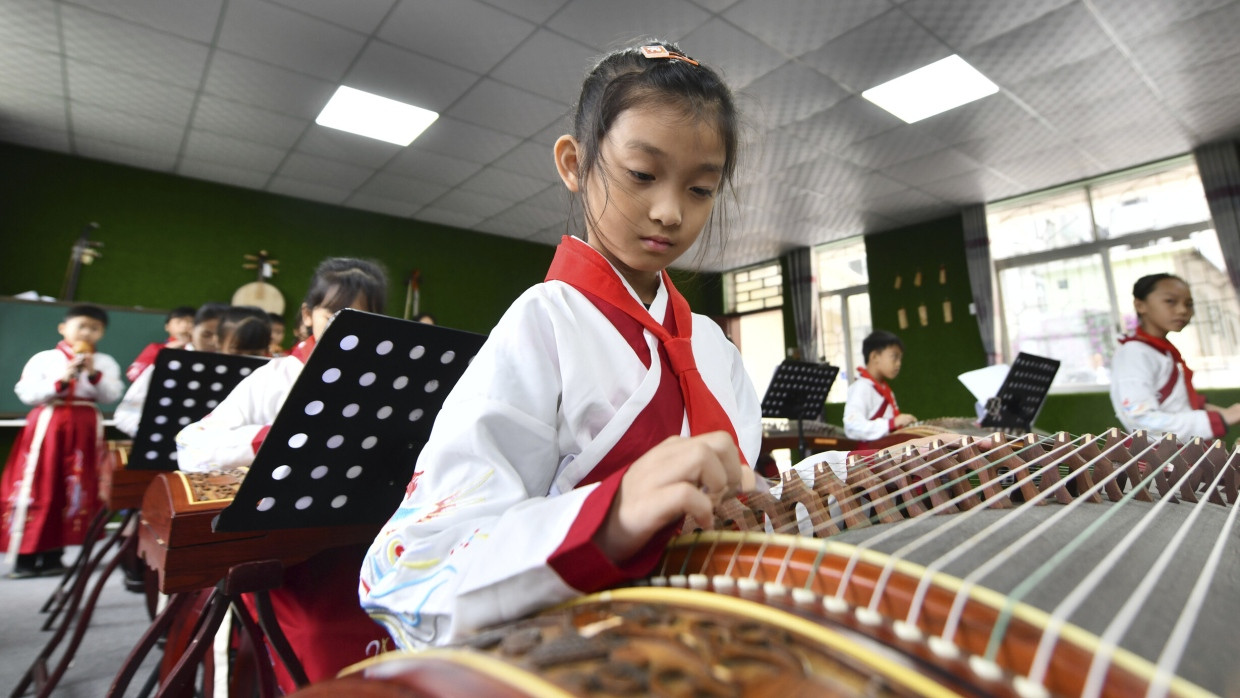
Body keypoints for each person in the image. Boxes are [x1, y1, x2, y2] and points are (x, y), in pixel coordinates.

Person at [360, 41, 761, 649]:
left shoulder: (713, 347)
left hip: (707, 645)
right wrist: (609, 518)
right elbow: (408, 570)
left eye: (701, 188)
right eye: (642, 175)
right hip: (578, 656)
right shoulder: (541, 321)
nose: (669, 210)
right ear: (574, 164)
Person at [174, 258, 392, 690]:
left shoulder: (387, 380)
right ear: (307, 316)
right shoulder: (277, 377)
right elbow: (192, 447)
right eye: (335, 315)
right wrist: (271, 440)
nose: (350, 327)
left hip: (363, 543)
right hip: (292, 553)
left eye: (365, 317)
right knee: (319, 635)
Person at [1, 304, 124, 578]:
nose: (87, 332)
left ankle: (55, 555)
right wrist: (63, 378)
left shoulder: (104, 361)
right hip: (48, 425)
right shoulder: (45, 358)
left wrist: (92, 374)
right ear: (63, 328)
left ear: (102, 333)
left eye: (95, 328)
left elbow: (111, 394)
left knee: (74, 486)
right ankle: (24, 556)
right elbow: (27, 393)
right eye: (81, 326)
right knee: (39, 485)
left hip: (85, 427)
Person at [1110, 273, 1240, 439]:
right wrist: (1221, 418)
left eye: (1189, 304)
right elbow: (1141, 420)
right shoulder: (1134, 353)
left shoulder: (1161, 350)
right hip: (1162, 459)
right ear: (1140, 305)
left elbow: (1176, 403)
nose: (1182, 310)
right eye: (1170, 301)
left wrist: (1230, 413)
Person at [114, 302, 224, 438]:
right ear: (194, 332)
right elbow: (127, 413)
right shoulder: (165, 355)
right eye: (207, 335)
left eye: (222, 336)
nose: (215, 342)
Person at [843, 330, 916, 442]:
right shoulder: (861, 387)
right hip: (870, 456)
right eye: (894, 357)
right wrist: (892, 423)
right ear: (874, 357)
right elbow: (852, 425)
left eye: (900, 358)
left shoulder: (885, 389)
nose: (898, 363)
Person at [125, 305, 195, 382]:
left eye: (191, 322)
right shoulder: (155, 348)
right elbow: (132, 375)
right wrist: (164, 354)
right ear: (167, 327)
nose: (184, 326)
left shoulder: (203, 349)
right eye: (179, 321)